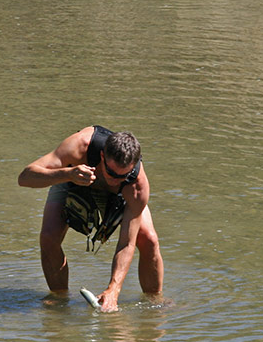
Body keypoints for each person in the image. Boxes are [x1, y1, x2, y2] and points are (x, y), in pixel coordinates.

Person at [18, 126, 164, 312]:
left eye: (123, 176)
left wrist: (114, 289)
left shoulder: (136, 185)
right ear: (102, 157)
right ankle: (59, 298)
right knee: (48, 236)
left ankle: (155, 303)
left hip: (119, 196)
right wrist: (67, 173)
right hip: (73, 178)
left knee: (149, 239)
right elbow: (24, 177)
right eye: (111, 173)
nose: (116, 180)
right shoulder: (79, 146)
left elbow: (126, 243)